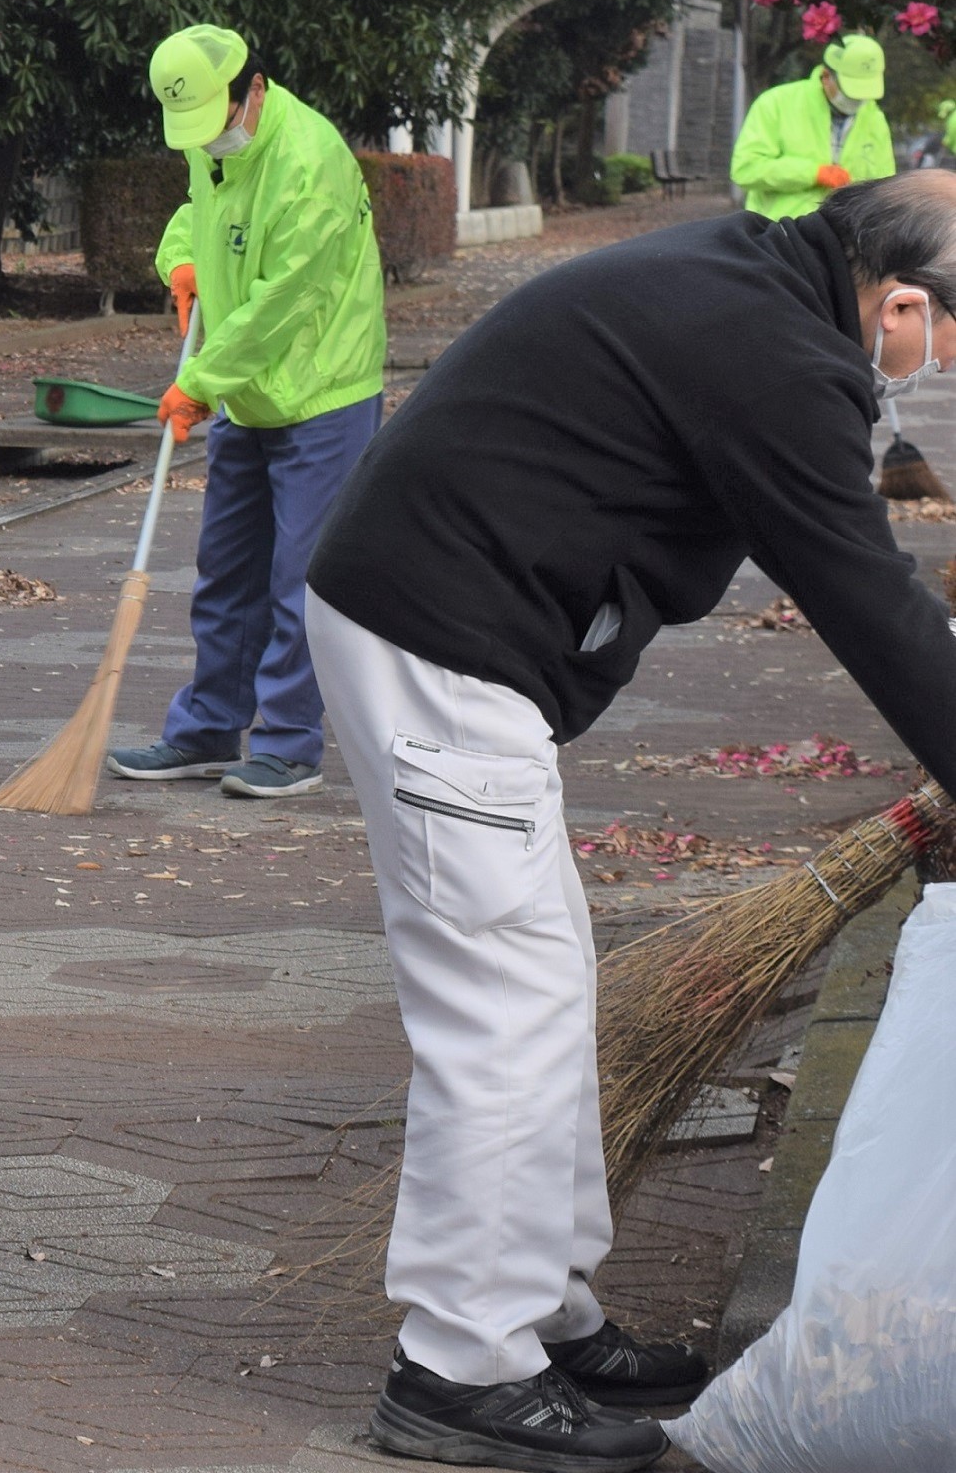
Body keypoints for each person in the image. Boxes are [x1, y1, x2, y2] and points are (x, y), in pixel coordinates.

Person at [302, 170, 956, 1470]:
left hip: (446, 626)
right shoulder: (772, 353)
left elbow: (866, 501)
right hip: (435, 641)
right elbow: (864, 599)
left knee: (539, 987)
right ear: (896, 305)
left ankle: (541, 1317)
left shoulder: (760, 288)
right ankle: (456, 1367)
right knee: (497, 1008)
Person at [105, 24, 386, 800]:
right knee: (225, 572)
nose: (205, 141)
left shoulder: (313, 163)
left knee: (300, 578)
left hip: (322, 391)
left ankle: (290, 745)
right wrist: (182, 261)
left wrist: (199, 380)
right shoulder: (214, 140)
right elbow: (196, 214)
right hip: (246, 392)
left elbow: (283, 305)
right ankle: (204, 730)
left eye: (213, 122)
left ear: (250, 88)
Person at [732, 30, 892, 217]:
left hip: (842, 239)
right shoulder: (776, 103)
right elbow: (745, 170)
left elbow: (885, 189)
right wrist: (813, 173)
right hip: (777, 236)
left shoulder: (874, 118)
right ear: (826, 76)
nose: (857, 100)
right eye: (850, 92)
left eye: (864, 93)